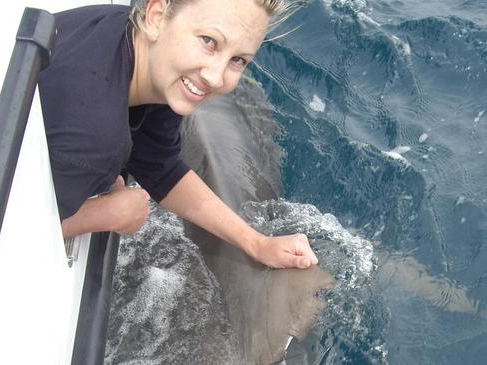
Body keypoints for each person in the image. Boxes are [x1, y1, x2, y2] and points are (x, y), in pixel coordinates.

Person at [38, 0, 318, 269]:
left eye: (238, 60)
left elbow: (161, 168)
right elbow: (18, 230)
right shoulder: (98, 140)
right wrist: (108, 214)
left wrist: (257, 244)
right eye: (209, 41)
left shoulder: (131, 45)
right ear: (157, 16)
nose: (215, 77)